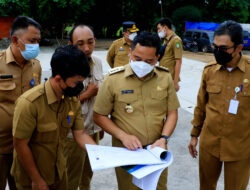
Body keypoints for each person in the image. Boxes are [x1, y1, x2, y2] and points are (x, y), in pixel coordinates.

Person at [94, 31, 180, 190]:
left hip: (156, 152)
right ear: (130, 53)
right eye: (137, 58)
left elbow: (172, 113)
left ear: (157, 59)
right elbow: (99, 115)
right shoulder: (113, 79)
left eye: (149, 61)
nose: (142, 64)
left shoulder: (164, 77)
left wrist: (164, 139)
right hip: (127, 154)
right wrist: (123, 136)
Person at [11, 45, 97, 190]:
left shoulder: (71, 100)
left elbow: (80, 134)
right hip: (31, 177)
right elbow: (20, 144)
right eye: (76, 82)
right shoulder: (29, 104)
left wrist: (102, 154)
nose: (80, 87)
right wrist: (36, 179)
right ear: (58, 79)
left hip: (58, 173)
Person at [188, 20, 250, 190]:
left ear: (238, 47)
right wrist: (194, 135)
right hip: (210, 144)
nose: (217, 52)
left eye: (223, 49)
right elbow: (201, 105)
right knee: (206, 187)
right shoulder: (209, 70)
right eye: (214, 47)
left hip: (240, 147)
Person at [0, 16, 41, 190]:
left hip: (25, 146)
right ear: (15, 40)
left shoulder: (36, 66)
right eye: (32, 41)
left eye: (38, 41)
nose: (36, 46)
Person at [64, 24, 104, 190]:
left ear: (95, 41)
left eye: (90, 42)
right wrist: (86, 95)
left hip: (93, 131)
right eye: (80, 44)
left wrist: (101, 124)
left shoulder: (98, 62)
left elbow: (101, 98)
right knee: (71, 176)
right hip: (72, 134)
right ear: (71, 44)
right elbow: (59, 104)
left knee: (88, 174)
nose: (86, 48)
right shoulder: (64, 67)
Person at [157, 17, 183, 91]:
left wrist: (175, 82)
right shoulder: (166, 40)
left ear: (165, 27)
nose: (158, 31)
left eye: (159, 29)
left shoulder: (176, 40)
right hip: (163, 76)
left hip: (170, 78)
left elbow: (178, 61)